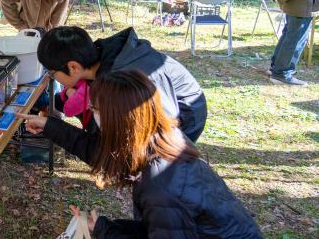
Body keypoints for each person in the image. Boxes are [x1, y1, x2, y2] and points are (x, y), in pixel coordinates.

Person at [17, 70, 262, 238]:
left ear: (120, 121)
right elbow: (102, 153)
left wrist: (104, 232)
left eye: (96, 110)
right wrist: (50, 125)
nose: (92, 114)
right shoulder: (161, 138)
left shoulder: (161, 189)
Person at [37, 26, 207, 142]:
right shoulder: (100, 57)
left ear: (73, 67)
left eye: (52, 72)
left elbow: (111, 141)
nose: (53, 77)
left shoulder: (119, 82)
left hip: (185, 116)